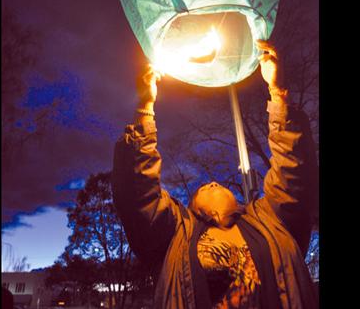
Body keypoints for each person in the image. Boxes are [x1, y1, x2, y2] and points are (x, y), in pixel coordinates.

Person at [112, 40, 319, 309]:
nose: (211, 182)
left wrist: (278, 92)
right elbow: (138, 196)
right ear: (193, 209)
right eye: (202, 190)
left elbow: (295, 172)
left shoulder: (271, 220)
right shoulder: (176, 236)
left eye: (214, 184)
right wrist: (145, 107)